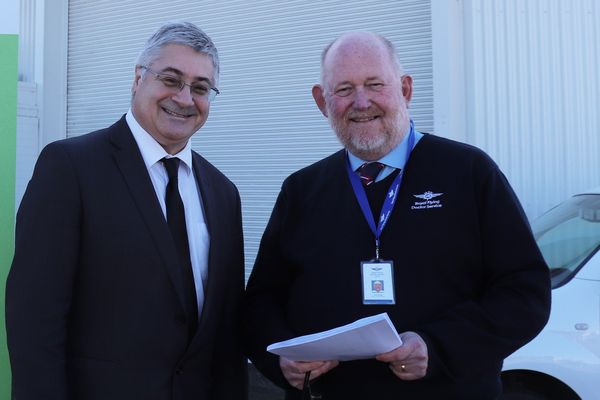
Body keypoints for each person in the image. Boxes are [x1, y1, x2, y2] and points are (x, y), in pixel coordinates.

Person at [243, 31, 551, 399]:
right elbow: (261, 301)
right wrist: (280, 360)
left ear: (405, 89)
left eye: (375, 84)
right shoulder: (301, 190)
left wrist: (438, 347)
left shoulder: (469, 172)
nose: (361, 102)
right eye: (344, 89)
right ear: (322, 101)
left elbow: (524, 292)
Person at [6, 22, 246, 400]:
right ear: (138, 79)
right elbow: (34, 320)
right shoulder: (70, 168)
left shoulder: (223, 193)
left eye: (201, 88)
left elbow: (226, 331)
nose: (185, 98)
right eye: (171, 79)